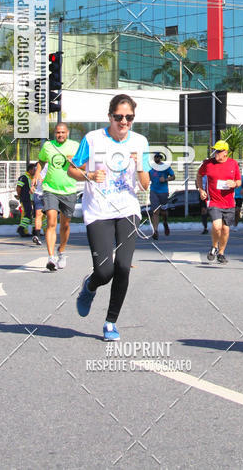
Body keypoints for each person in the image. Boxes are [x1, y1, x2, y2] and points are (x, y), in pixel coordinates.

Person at [70, 94, 150, 341]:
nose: (124, 122)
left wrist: (139, 165)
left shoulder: (140, 141)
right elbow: (72, 169)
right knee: (104, 272)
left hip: (128, 209)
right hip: (98, 210)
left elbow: (145, 184)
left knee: (123, 267)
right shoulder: (92, 139)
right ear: (110, 116)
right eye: (119, 117)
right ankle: (90, 286)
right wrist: (89, 176)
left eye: (129, 117)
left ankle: (110, 322)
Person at [33, 122, 80, 271]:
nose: (60, 135)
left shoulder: (75, 146)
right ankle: (51, 257)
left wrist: (74, 161)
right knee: (51, 221)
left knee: (65, 225)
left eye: (63, 132)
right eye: (58, 132)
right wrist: (37, 173)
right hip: (50, 189)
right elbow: (41, 161)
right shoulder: (48, 146)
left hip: (69, 190)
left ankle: (61, 251)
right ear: (55, 134)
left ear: (67, 133)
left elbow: (84, 164)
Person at [196, 139, 240, 264]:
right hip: (213, 201)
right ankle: (214, 246)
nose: (216, 153)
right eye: (215, 150)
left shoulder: (233, 164)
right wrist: (200, 190)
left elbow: (238, 181)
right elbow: (199, 175)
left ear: (225, 152)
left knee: (225, 229)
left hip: (229, 202)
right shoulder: (208, 164)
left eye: (219, 151)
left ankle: (221, 253)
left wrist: (234, 184)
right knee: (217, 226)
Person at [149, 152, 175, 240]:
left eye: (158, 157)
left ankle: (165, 222)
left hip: (163, 192)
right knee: (155, 211)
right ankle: (155, 231)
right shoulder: (151, 167)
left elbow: (173, 176)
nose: (157, 158)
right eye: (155, 157)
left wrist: (166, 179)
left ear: (160, 158)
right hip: (153, 191)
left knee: (163, 211)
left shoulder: (165, 167)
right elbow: (147, 177)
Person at [15, 162, 36, 238]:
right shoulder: (23, 177)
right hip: (25, 198)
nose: (35, 171)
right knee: (27, 213)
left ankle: (33, 230)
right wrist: (19, 195)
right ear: (30, 170)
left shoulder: (32, 178)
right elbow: (18, 188)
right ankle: (21, 228)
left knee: (32, 214)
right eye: (34, 170)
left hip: (31, 199)